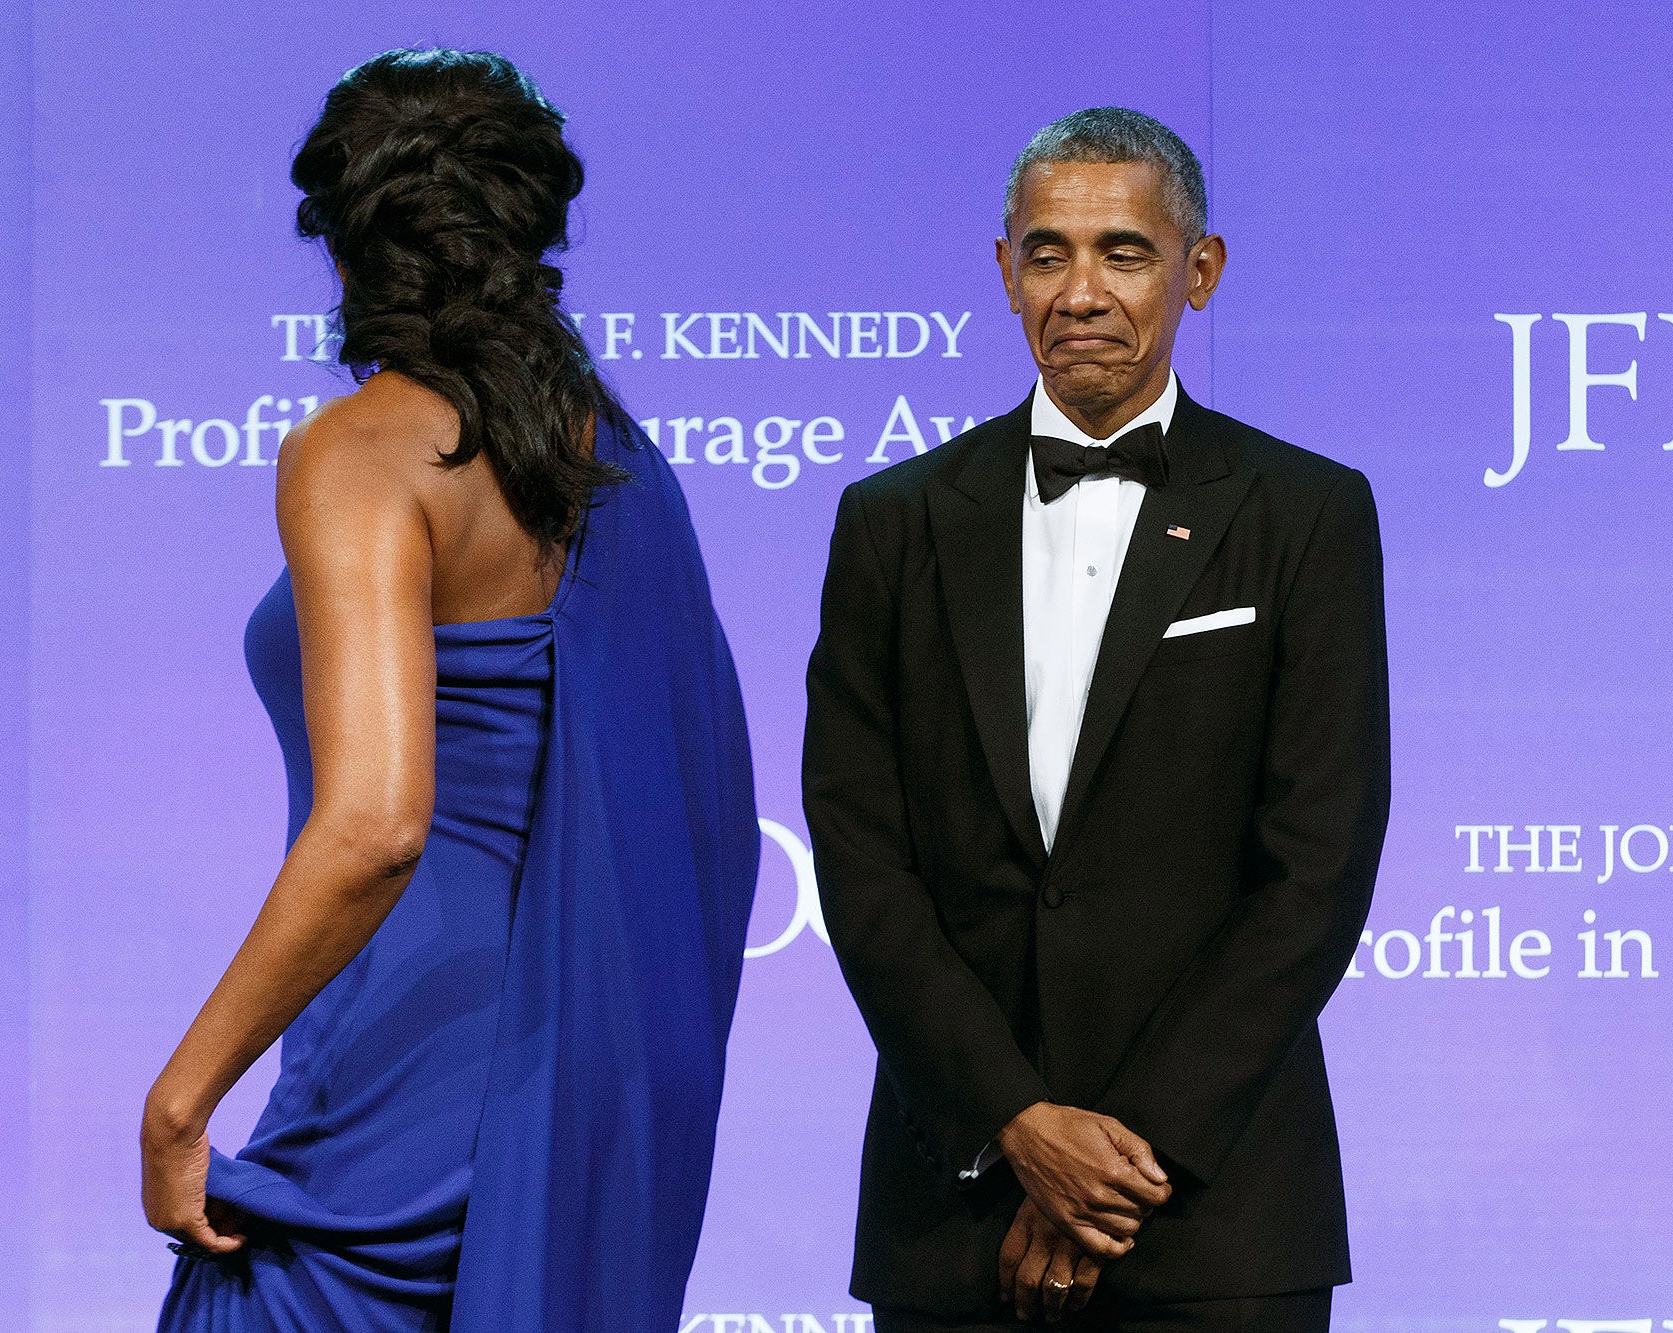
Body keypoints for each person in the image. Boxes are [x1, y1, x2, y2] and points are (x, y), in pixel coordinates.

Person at [141, 49, 760, 1331]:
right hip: (578, 1054)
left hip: (401, 1053)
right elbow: (710, 803)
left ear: (344, 235)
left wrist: (181, 1099)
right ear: (531, 230)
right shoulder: (612, 453)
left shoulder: (363, 444)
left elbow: (375, 824)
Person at [803, 108, 1391, 1331]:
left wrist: (1113, 1169)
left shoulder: (1305, 514)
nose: (1080, 290)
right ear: (1004, 270)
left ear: (1199, 270)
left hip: (1213, 1209)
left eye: (1122, 251)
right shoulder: (893, 521)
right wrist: (1014, 1124)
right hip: (955, 1200)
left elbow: (1315, 871)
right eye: (1046, 252)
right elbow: (863, 861)